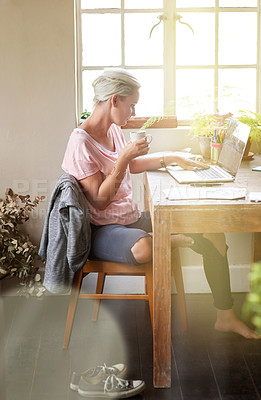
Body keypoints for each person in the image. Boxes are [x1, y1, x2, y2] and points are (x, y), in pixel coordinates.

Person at [62, 68, 260, 340]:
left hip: (130, 219)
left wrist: (173, 157)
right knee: (144, 247)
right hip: (102, 230)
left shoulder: (113, 130)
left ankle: (225, 316)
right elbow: (99, 198)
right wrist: (123, 159)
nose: (133, 113)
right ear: (114, 100)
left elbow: (132, 165)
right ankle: (170, 238)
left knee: (213, 234)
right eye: (132, 106)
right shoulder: (80, 142)